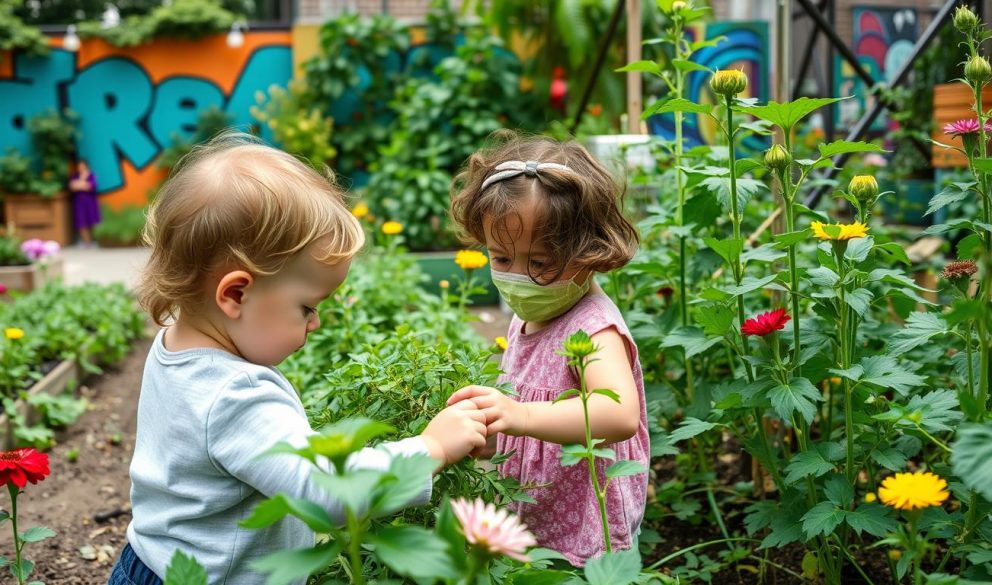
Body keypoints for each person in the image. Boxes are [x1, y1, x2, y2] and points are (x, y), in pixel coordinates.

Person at [108, 133, 487, 585]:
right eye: (307, 307)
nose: (316, 323)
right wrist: (430, 449)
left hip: (147, 562)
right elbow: (322, 491)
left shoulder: (175, 344)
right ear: (235, 293)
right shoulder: (236, 395)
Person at [446, 132, 649, 566]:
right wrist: (493, 434)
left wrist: (522, 416)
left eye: (539, 262)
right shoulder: (532, 311)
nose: (519, 277)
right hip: (537, 513)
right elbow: (531, 411)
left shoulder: (594, 330)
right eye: (502, 258)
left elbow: (619, 414)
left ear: (591, 252)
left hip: (580, 529)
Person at [68, 160, 100, 247]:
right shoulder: (75, 175)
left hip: (90, 202)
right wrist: (83, 183)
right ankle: (87, 243)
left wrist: (79, 184)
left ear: (86, 166)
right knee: (81, 222)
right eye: (79, 166)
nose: (80, 168)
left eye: (82, 166)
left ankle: (95, 241)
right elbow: (72, 186)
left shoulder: (91, 175)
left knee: (93, 221)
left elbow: (90, 186)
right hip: (79, 203)